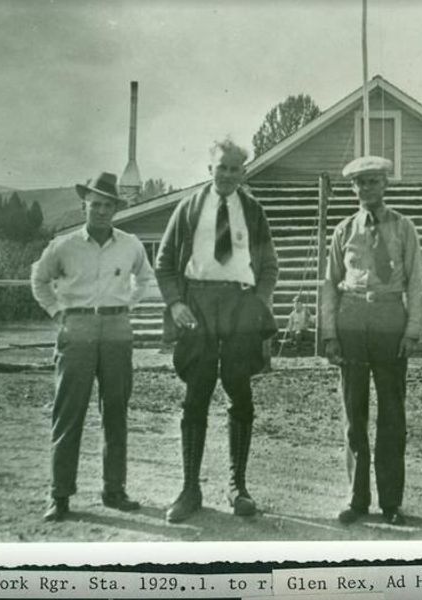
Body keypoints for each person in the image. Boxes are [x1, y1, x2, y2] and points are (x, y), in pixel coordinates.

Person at [155, 137, 278, 523]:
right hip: (199, 308)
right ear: (210, 169)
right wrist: (176, 303)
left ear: (244, 172)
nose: (227, 175)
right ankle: (190, 489)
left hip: (240, 307)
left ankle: (238, 488)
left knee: (240, 395)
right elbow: (164, 263)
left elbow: (270, 265)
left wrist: (258, 303)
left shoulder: (253, 211)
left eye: (234, 169)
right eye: (221, 167)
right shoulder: (189, 208)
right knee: (196, 395)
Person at [31, 171, 155, 522]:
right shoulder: (64, 245)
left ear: (116, 208)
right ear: (84, 205)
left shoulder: (130, 244)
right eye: (95, 204)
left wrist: (126, 306)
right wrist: (58, 312)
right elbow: (39, 279)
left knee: (115, 412)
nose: (101, 211)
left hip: (117, 329)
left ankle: (114, 490)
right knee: (69, 413)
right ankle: (60, 495)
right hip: (78, 328)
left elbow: (144, 278)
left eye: (107, 206)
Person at [322, 155, 422, 526]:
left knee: (393, 414)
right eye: (359, 183)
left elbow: (414, 282)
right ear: (353, 189)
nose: (366, 189)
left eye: (373, 181)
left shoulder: (403, 228)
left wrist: (412, 330)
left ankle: (392, 501)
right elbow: (330, 284)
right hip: (352, 319)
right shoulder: (343, 231)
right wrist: (330, 333)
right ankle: (357, 498)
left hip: (388, 319)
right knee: (354, 412)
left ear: (386, 184)